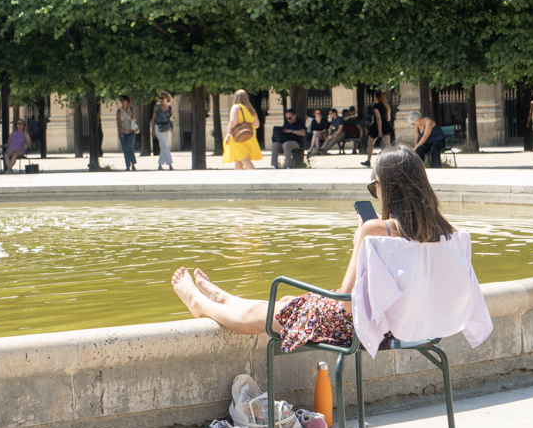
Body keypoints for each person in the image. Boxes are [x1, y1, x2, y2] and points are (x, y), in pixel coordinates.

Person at [170, 145, 492, 358]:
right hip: (422, 329)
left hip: (364, 330)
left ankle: (201, 303)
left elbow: (346, 299)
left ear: (389, 188)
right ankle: (222, 299)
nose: (374, 193)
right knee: (288, 304)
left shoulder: (374, 231)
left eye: (374, 187)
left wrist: (358, 244)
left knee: (278, 310)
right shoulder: (449, 232)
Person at [223, 89, 262, 170]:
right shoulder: (251, 109)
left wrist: (228, 135)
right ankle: (238, 180)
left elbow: (233, 122)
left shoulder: (236, 107)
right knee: (239, 159)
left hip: (237, 136)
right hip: (250, 136)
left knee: (244, 159)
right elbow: (257, 125)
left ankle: (255, 178)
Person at [362, 91, 394, 167]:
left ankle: (368, 161)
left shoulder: (375, 106)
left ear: (377, 97)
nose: (374, 98)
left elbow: (378, 118)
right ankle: (392, 160)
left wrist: (379, 130)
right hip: (385, 125)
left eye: (375, 96)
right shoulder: (386, 106)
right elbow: (388, 118)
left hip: (376, 126)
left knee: (370, 144)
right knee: (388, 144)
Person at [153, 92, 174, 171]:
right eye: (160, 98)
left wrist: (171, 116)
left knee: (164, 146)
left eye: (163, 98)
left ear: (167, 98)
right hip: (158, 127)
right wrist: (152, 131)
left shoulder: (169, 107)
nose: (161, 99)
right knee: (165, 145)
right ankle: (170, 164)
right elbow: (153, 119)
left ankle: (160, 164)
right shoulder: (157, 107)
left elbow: (171, 116)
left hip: (167, 127)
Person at [116, 95, 137, 171]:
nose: (122, 101)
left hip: (131, 131)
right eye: (121, 100)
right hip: (123, 132)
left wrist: (134, 118)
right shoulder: (119, 111)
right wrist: (120, 132)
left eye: (123, 100)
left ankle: (133, 164)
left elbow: (134, 119)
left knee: (130, 147)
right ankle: (128, 165)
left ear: (127, 101)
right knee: (125, 149)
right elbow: (118, 122)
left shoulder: (131, 109)